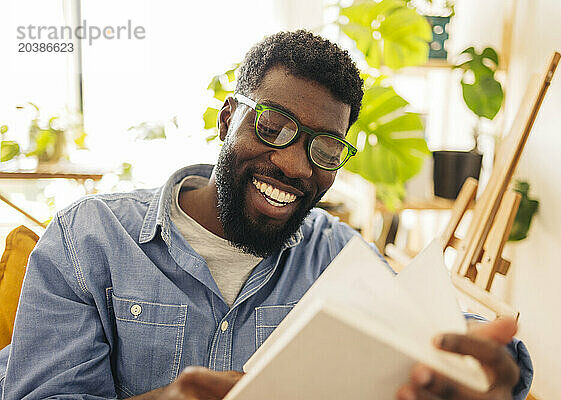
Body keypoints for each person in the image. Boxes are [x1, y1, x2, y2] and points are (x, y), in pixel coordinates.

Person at [0, 30, 532, 400]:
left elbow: (436, 329)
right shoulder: (89, 240)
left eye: (325, 149)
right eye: (273, 125)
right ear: (228, 117)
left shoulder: (337, 255)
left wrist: (493, 371)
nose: (293, 163)